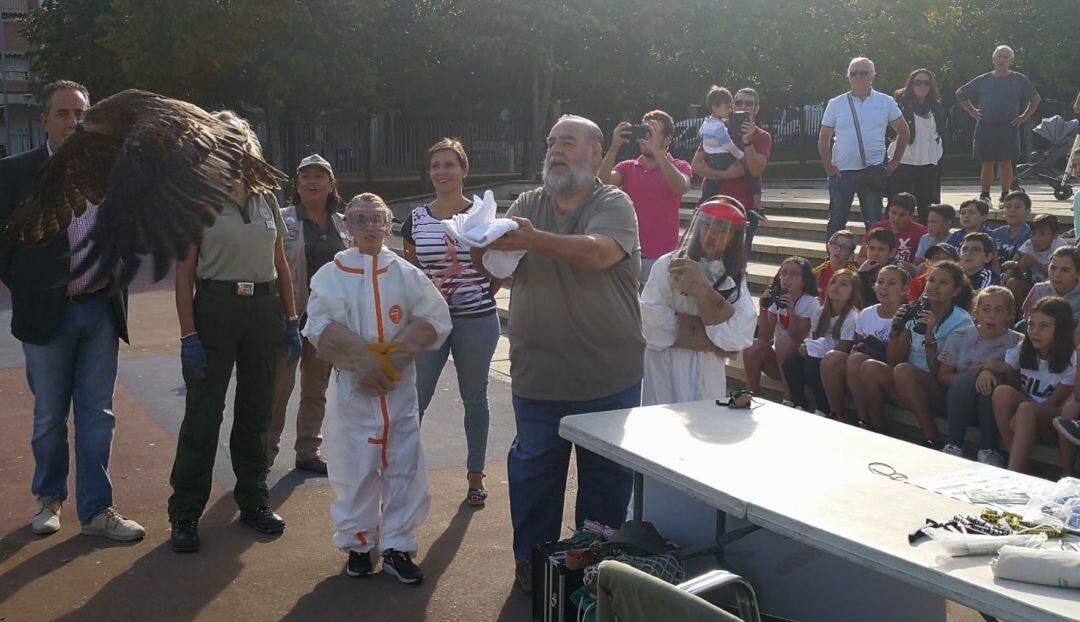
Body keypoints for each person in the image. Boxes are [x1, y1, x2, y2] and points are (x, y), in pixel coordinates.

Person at [475, 115, 644, 593]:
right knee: (533, 479)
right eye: (551, 142)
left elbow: (597, 253)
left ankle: (592, 574)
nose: (554, 150)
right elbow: (495, 265)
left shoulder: (613, 201)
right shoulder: (529, 203)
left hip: (606, 378)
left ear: (595, 154)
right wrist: (475, 243)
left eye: (567, 143)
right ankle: (533, 567)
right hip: (539, 376)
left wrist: (531, 239)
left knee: (606, 486)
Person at [0, 80, 144, 540]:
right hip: (47, 315)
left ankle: (98, 511)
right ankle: (48, 499)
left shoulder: (111, 170)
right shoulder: (14, 173)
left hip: (100, 310)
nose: (73, 122)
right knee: (48, 416)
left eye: (81, 113)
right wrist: (28, 289)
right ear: (44, 121)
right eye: (62, 113)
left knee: (98, 415)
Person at [168, 111, 302, 553]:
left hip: (263, 310)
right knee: (203, 415)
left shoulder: (265, 197)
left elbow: (281, 263)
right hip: (216, 309)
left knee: (257, 411)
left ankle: (253, 500)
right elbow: (184, 274)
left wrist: (291, 318)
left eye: (239, 138)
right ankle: (186, 513)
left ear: (250, 146)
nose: (233, 147)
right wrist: (189, 337)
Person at [303, 193, 451, 583]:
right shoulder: (331, 274)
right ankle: (358, 543)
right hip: (353, 390)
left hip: (399, 390)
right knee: (355, 464)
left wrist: (394, 358)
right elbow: (317, 324)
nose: (370, 227)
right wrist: (360, 360)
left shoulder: (405, 272)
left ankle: (398, 544)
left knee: (403, 463)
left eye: (377, 219)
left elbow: (435, 317)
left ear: (389, 225)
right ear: (347, 226)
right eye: (360, 219)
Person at [403, 138, 502, 507]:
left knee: (474, 398)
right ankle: (403, 471)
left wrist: (478, 294)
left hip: (476, 320)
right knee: (416, 398)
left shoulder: (482, 214)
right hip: (430, 323)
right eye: (435, 166)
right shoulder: (415, 218)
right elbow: (413, 268)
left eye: (449, 165)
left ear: (464, 170)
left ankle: (476, 475)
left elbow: (498, 266)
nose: (441, 172)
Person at [268, 154, 347, 476]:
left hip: (325, 321)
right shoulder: (281, 219)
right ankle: (264, 453)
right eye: (305, 177)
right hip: (289, 318)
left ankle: (308, 449)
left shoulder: (343, 223)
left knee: (316, 388)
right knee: (278, 391)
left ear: (331, 185)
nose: (312, 181)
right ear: (297, 186)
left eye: (319, 176)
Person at [640, 197, 757, 405]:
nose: (712, 234)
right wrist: (711, 336)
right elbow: (652, 323)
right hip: (665, 371)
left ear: (733, 238)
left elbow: (739, 335)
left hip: (707, 376)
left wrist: (703, 291)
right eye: (708, 225)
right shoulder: (667, 265)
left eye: (723, 230)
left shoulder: (734, 279)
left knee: (705, 427)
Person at [859, 261, 974, 439]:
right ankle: (878, 429)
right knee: (870, 367)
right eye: (931, 280)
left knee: (904, 371)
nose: (934, 286)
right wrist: (896, 330)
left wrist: (930, 336)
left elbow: (941, 373)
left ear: (956, 290)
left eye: (943, 283)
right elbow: (894, 361)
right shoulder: (915, 310)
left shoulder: (962, 322)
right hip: (906, 383)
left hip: (939, 390)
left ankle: (932, 438)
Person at [819, 57, 910, 238]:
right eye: (854, 74)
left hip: (873, 170)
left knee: (874, 221)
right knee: (837, 220)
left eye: (863, 73)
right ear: (849, 77)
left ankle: (876, 262)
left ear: (872, 76)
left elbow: (904, 131)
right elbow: (824, 137)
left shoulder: (886, 101)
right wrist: (828, 165)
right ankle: (833, 262)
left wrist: (896, 160)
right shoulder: (836, 103)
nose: (858, 77)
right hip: (842, 171)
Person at [601, 111, 692, 284]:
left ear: (667, 140)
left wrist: (658, 152)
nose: (646, 138)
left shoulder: (679, 166)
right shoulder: (628, 167)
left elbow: (681, 186)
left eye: (653, 133)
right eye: (645, 131)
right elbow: (602, 184)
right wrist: (614, 147)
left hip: (663, 258)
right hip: (630, 253)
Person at [938, 286, 1022, 467]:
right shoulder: (960, 335)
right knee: (967, 380)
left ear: (1009, 314)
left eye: (999, 310)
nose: (991, 315)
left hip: (995, 409)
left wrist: (993, 371)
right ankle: (954, 445)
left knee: (990, 384)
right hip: (961, 403)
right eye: (986, 309)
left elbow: (1018, 384)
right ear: (976, 312)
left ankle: (988, 449)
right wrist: (975, 377)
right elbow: (943, 376)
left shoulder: (1018, 342)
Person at [993, 297, 1076, 474]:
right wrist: (987, 370)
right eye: (1031, 325)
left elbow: (1054, 403)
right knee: (1002, 392)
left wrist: (1024, 412)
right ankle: (1017, 462)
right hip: (1025, 415)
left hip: (1054, 420)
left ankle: (1013, 472)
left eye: (1044, 326)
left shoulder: (1072, 359)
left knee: (1026, 409)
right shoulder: (1022, 350)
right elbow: (1012, 384)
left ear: (1060, 329)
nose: (1035, 332)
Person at [821, 265, 909, 422]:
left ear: (904, 290)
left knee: (859, 361)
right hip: (862, 370)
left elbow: (898, 361)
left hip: (892, 376)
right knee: (832, 358)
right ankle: (837, 414)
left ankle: (867, 420)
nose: (884, 287)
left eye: (891, 283)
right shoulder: (866, 314)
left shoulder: (907, 316)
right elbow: (858, 346)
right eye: (880, 282)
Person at [956, 45, 1041, 205]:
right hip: (986, 125)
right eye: (999, 56)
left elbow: (1035, 98)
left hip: (1009, 125)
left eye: (1005, 57)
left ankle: (1005, 196)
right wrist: (972, 111)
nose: (1002, 59)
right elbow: (960, 93)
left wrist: (1025, 116)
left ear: (1011, 61)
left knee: (1005, 162)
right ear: (993, 59)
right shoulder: (983, 79)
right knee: (987, 162)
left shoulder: (1019, 79)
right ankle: (985, 196)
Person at [692, 87, 772, 251]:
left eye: (749, 104)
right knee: (700, 257)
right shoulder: (718, 128)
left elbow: (756, 171)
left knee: (736, 263)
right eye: (738, 102)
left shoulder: (762, 136)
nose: (743, 106)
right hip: (713, 204)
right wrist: (725, 175)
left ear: (756, 109)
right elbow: (696, 166)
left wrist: (747, 141)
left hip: (743, 210)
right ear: (732, 105)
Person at [741, 257, 820, 401]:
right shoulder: (776, 298)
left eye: (793, 274)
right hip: (780, 361)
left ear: (804, 280)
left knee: (784, 343)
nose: (786, 278)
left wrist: (791, 310)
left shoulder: (811, 303)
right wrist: (763, 308)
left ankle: (789, 399)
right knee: (752, 346)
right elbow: (765, 337)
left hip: (801, 363)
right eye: (783, 273)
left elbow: (797, 337)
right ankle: (752, 396)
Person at [783, 269, 860, 414]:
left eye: (843, 284)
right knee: (792, 361)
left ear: (851, 294)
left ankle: (823, 408)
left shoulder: (852, 318)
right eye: (833, 283)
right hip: (820, 355)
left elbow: (843, 351)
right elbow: (815, 340)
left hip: (837, 364)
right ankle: (800, 404)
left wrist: (813, 350)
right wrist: (806, 347)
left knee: (812, 364)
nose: (836, 287)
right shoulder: (819, 312)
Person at [889, 69, 946, 223]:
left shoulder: (936, 107)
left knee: (926, 205)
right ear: (911, 85)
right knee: (898, 204)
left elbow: (939, 133)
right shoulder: (900, 105)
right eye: (918, 82)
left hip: (928, 163)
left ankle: (924, 240)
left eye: (926, 83)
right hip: (904, 162)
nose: (922, 86)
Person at [1021, 246, 1080, 328]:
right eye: (1053, 268)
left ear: (1078, 273)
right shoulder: (1038, 290)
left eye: (1065, 270)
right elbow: (1027, 317)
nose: (1057, 274)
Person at [860, 192, 926, 263]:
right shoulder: (877, 228)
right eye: (894, 212)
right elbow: (861, 256)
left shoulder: (921, 233)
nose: (896, 218)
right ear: (889, 211)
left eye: (902, 215)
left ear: (911, 216)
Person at [1012, 214, 1065, 285]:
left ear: (1054, 235)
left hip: (1054, 284)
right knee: (1012, 281)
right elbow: (1016, 259)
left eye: (1042, 234)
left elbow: (1056, 274)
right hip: (1032, 285)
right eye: (1033, 234)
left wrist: (1034, 263)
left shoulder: (1059, 246)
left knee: (1049, 282)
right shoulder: (1029, 243)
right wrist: (1012, 267)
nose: (1036, 239)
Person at [812, 230, 858, 301]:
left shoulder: (855, 276)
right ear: (828, 246)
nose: (838, 250)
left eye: (845, 247)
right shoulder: (817, 273)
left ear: (851, 253)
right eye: (836, 245)